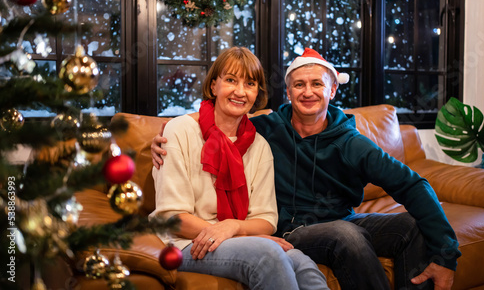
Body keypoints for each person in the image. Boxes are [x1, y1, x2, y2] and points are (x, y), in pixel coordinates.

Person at [152, 48, 461, 290]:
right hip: (292, 229)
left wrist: (446, 254)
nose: (308, 92)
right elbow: (223, 117)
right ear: (288, 92)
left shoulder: (350, 143)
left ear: (332, 91)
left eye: (317, 84)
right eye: (299, 84)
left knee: (410, 226)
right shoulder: (268, 129)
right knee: (347, 235)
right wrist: (167, 129)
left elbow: (412, 185)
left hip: (337, 221)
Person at [149, 47, 329, 290]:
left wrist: (235, 227)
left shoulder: (259, 145)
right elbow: (173, 218)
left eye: (250, 83)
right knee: (267, 255)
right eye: (231, 80)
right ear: (214, 86)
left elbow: (266, 219)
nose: (240, 91)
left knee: (303, 264)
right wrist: (237, 234)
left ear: (257, 93)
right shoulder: (179, 131)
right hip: (185, 242)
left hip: (238, 239)